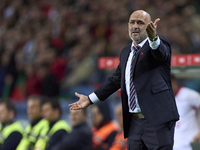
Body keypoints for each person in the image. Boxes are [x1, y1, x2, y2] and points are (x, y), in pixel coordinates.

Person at [69, 9, 179, 150]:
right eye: (132, 22)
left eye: (140, 23)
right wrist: (90, 99)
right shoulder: (126, 52)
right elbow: (115, 80)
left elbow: (161, 54)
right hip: (134, 122)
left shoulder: (158, 43)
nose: (135, 26)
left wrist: (153, 38)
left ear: (149, 26)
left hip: (157, 120)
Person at [171, 74, 200, 150]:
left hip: (189, 145)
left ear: (174, 82)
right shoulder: (162, 99)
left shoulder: (189, 95)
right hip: (173, 145)